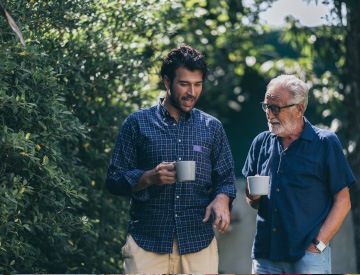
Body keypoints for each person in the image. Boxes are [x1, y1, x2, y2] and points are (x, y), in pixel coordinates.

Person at [105, 45, 237, 274]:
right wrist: (147, 178)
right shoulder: (137, 124)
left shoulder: (211, 128)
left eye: (198, 84)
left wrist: (223, 198)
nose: (192, 92)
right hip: (147, 242)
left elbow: (225, 179)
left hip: (198, 242)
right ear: (167, 82)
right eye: (184, 84)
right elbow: (113, 180)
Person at [242, 74, 356, 274]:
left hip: (308, 257)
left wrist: (318, 246)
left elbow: (343, 200)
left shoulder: (325, 143)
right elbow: (253, 201)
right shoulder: (260, 142)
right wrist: (252, 196)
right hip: (266, 254)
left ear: (299, 109)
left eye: (275, 108)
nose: (269, 114)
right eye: (266, 106)